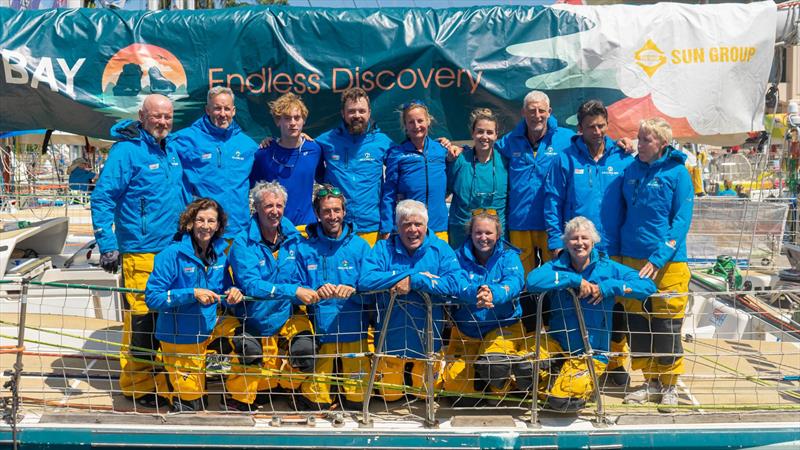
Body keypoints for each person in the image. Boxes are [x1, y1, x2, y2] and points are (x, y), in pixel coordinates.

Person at [91, 94, 189, 408]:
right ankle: (136, 385)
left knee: (167, 320)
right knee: (142, 322)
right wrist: (108, 245)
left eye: (167, 117)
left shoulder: (171, 149)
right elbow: (103, 198)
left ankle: (162, 379)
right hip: (140, 252)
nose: (162, 122)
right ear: (142, 116)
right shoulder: (127, 151)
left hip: (172, 249)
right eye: (157, 116)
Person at [527, 217, 656, 412]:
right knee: (520, 369)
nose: (579, 243)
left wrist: (608, 287)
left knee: (562, 402)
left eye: (584, 238)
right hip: (556, 345)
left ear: (593, 241)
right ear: (565, 242)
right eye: (573, 238)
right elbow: (532, 281)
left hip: (591, 353)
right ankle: (556, 377)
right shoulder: (556, 266)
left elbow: (648, 286)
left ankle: (576, 383)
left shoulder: (608, 268)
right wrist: (573, 281)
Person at [618, 118, 694, 413]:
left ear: (662, 144)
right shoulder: (630, 169)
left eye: (645, 140)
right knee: (637, 324)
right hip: (631, 258)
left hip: (668, 263)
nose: (640, 144)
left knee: (666, 325)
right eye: (638, 138)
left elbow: (681, 221)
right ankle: (649, 381)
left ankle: (669, 384)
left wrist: (659, 256)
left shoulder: (678, 173)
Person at [226, 181, 320, 411]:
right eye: (268, 205)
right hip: (251, 318)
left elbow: (305, 275)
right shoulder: (242, 243)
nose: (274, 211)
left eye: (279, 205)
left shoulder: (295, 239)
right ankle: (238, 397)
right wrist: (292, 291)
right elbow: (251, 285)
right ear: (255, 208)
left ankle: (287, 387)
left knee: (306, 349)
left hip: (287, 314)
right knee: (250, 351)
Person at [360, 199, 467, 401]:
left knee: (427, 396)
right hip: (391, 343)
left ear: (426, 225)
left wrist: (416, 280)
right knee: (388, 397)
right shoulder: (384, 248)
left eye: (417, 224)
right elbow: (366, 280)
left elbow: (456, 284)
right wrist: (408, 275)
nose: (412, 230)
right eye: (406, 224)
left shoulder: (440, 249)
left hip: (428, 344)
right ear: (397, 227)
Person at [144, 198, 244, 412]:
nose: (205, 226)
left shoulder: (220, 255)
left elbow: (224, 288)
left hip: (208, 333)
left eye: (211, 221)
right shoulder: (171, 255)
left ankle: (209, 379)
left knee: (247, 346)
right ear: (190, 223)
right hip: (180, 338)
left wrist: (233, 291)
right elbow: (152, 298)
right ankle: (167, 382)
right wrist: (191, 294)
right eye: (200, 220)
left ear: (218, 226)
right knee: (193, 406)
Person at [296, 184, 373, 409]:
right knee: (316, 401)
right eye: (327, 211)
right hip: (320, 331)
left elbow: (372, 285)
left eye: (337, 210)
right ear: (317, 214)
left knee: (358, 401)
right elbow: (294, 286)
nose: (333, 216)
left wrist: (355, 290)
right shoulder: (305, 247)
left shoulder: (360, 246)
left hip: (354, 330)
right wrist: (315, 293)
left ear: (344, 212)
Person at [442, 210, 528, 404]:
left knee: (495, 368)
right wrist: (476, 293)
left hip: (503, 326)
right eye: (478, 233)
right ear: (470, 234)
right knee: (458, 395)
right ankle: (484, 381)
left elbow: (515, 282)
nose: (483, 238)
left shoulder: (509, 256)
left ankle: (512, 378)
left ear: (498, 235)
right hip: (466, 331)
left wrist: (493, 294)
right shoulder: (456, 257)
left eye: (488, 233)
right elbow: (454, 282)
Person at [495, 91, 574, 273]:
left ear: (549, 112)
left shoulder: (566, 138)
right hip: (520, 222)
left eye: (541, 110)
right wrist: (459, 150)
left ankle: (551, 304)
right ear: (523, 112)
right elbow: (485, 148)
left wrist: (618, 144)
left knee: (554, 276)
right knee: (521, 278)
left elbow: (595, 141)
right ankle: (526, 304)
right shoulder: (510, 141)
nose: (537, 116)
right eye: (532, 111)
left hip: (552, 224)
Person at [544, 99, 633, 258]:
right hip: (578, 248)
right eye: (591, 127)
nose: (597, 131)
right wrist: (556, 242)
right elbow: (552, 203)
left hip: (615, 248)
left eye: (601, 126)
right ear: (580, 129)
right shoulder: (564, 160)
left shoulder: (623, 159)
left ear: (607, 124)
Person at [172, 86, 259, 240]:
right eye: (217, 108)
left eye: (227, 109)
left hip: (238, 231)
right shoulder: (186, 139)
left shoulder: (248, 146)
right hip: (204, 232)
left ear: (233, 111)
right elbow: (156, 143)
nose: (222, 114)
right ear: (207, 110)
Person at [316, 88, 394, 246]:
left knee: (370, 271)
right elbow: (304, 152)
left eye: (361, 111)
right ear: (343, 113)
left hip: (371, 228)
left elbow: (407, 162)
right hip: (337, 227)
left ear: (369, 112)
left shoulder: (383, 142)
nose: (357, 115)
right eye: (351, 111)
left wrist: (445, 147)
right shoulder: (326, 141)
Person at [251, 93, 323, 231]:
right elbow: (252, 188)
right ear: (278, 121)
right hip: (274, 229)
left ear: (304, 121)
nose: (293, 123)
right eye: (287, 118)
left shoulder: (314, 150)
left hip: (307, 227)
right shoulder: (264, 153)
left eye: (297, 118)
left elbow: (323, 176)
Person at [379, 101, 449, 242]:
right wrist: (387, 227)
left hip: (438, 227)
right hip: (410, 229)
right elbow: (389, 193)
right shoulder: (397, 154)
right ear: (405, 126)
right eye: (411, 122)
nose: (417, 126)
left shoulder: (441, 149)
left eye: (420, 121)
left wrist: (459, 148)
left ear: (428, 121)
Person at [443, 108, 509, 249]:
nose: (484, 137)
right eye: (480, 131)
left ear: (496, 135)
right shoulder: (459, 160)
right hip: (461, 232)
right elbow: (443, 191)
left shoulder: (505, 162)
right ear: (472, 133)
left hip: (494, 233)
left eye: (489, 132)